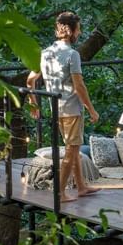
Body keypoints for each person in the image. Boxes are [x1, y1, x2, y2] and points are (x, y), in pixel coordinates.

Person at [27, 11, 100, 202]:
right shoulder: (72, 54)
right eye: (79, 28)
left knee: (72, 148)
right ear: (71, 30)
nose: (80, 32)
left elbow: (30, 81)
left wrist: (33, 104)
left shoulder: (46, 53)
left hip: (56, 108)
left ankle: (81, 186)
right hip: (72, 109)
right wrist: (91, 109)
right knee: (71, 150)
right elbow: (79, 86)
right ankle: (59, 193)